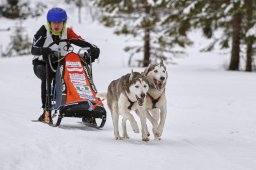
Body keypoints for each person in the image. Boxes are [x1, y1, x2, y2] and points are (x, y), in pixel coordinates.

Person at [31, 7, 100, 124]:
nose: (57, 26)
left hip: (60, 63)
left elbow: (82, 41)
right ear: (49, 23)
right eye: (54, 23)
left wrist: (94, 48)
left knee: (77, 76)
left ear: (64, 23)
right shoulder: (43, 32)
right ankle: (46, 111)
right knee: (47, 78)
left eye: (59, 23)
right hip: (41, 64)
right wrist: (43, 50)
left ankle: (86, 110)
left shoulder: (67, 32)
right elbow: (33, 50)